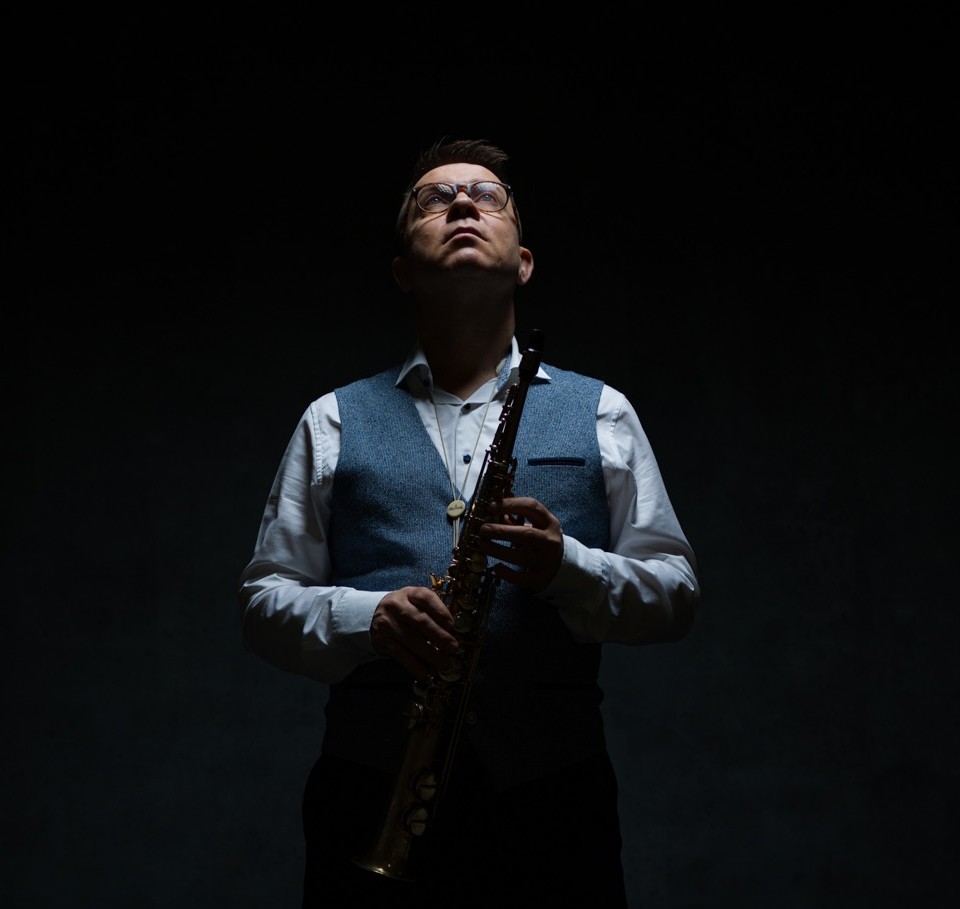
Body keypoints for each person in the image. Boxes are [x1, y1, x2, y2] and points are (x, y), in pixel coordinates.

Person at [237, 137, 700, 908]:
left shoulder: (604, 411)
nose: (460, 203)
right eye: (434, 198)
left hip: (554, 806)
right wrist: (366, 616)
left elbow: (675, 594)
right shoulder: (332, 419)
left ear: (524, 262)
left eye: (487, 196)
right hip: (369, 792)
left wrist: (567, 568)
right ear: (401, 270)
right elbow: (262, 604)